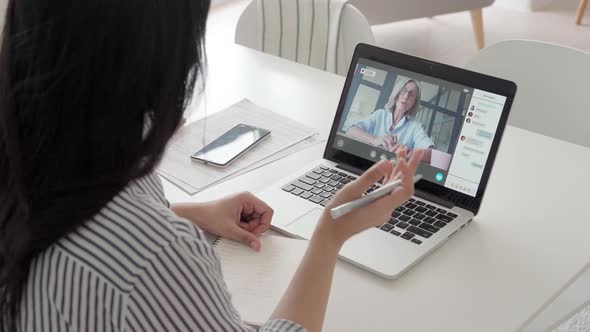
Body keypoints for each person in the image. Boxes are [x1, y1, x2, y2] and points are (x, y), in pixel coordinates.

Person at [0, 1, 423, 331]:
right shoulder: (156, 259)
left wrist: (192, 212)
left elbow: (78, 216)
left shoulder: (37, 151)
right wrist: (329, 236)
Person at [346, 78, 434, 163]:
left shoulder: (415, 125)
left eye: (411, 95)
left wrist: (409, 152)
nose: (406, 96)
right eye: (403, 91)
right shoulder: (380, 114)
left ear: (414, 102)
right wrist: (375, 139)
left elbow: (431, 154)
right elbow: (351, 130)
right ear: (396, 94)